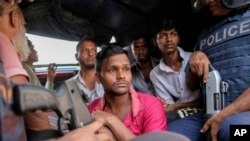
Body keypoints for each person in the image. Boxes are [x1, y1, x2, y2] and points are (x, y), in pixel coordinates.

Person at [188, 0, 250, 141]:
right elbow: (191, 85)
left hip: (242, 112)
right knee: (167, 135)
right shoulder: (204, 33)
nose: (207, 1)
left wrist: (225, 114)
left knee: (234, 131)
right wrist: (195, 56)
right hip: (209, 111)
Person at [88, 46, 167, 136]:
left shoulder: (152, 105)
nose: (121, 76)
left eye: (126, 69)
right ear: (98, 78)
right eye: (112, 70)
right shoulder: (91, 110)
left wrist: (110, 120)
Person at [0, 0, 52, 135]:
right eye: (24, 25)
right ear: (14, 19)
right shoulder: (3, 41)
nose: (24, 30)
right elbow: (33, 112)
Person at [150, 18, 204, 141]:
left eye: (173, 34)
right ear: (155, 41)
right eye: (163, 35)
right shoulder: (155, 74)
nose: (169, 40)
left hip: (202, 109)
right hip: (181, 113)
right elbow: (168, 107)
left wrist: (176, 106)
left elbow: (205, 100)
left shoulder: (194, 58)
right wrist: (174, 107)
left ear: (178, 38)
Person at [68, 37, 104, 103]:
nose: (90, 54)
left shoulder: (107, 80)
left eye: (94, 50)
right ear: (76, 56)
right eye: (85, 50)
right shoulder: (69, 86)